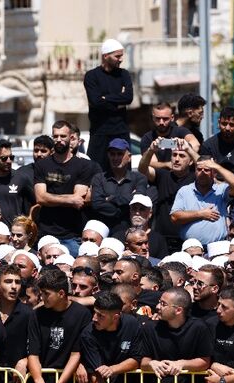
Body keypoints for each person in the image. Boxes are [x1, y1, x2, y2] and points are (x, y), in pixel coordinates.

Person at [34, 121, 94, 256]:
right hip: (47, 234)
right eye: (55, 136)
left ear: (71, 138)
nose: (59, 140)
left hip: (72, 234)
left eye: (63, 136)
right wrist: (70, 199)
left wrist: (50, 197)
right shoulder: (42, 165)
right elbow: (40, 197)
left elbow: (78, 199)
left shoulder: (83, 165)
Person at [138, 137, 198, 252]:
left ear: (190, 161)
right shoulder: (162, 175)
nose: (176, 159)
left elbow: (206, 166)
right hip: (162, 237)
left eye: (182, 156)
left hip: (187, 238)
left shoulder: (196, 177)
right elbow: (142, 169)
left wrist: (189, 150)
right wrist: (151, 150)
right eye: (174, 155)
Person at [83, 38, 133, 172]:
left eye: (121, 55)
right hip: (99, 132)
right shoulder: (91, 76)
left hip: (120, 131)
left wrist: (106, 98)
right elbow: (96, 102)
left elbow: (128, 97)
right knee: (95, 172)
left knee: (123, 172)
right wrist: (118, 102)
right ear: (106, 56)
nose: (121, 59)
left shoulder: (124, 75)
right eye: (117, 56)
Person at [170, 158, 234, 247]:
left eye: (207, 170)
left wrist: (217, 167)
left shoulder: (221, 190)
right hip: (190, 249)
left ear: (214, 172)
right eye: (199, 169)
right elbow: (174, 217)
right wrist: (200, 214)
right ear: (195, 171)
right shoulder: (185, 191)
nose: (203, 172)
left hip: (218, 247)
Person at [90, 138, 149, 237]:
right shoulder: (99, 178)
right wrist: (122, 210)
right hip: (103, 232)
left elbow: (138, 200)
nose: (115, 157)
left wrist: (111, 198)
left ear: (129, 157)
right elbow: (97, 204)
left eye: (120, 154)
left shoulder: (139, 178)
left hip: (130, 233)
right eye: (112, 154)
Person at [140, 102, 199, 169]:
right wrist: (168, 164)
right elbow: (151, 163)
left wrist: (187, 152)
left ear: (172, 118)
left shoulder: (181, 131)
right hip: (159, 176)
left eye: (165, 119)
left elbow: (196, 144)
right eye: (158, 118)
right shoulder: (148, 138)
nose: (161, 122)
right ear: (153, 118)